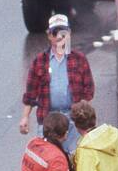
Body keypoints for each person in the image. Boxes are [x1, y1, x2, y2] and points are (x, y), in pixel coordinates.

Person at [19, 13, 94, 157]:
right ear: (49, 35)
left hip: (73, 121)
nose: (59, 37)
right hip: (48, 121)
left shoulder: (80, 60)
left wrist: (85, 120)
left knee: (75, 159)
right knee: (47, 159)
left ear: (69, 33)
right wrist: (25, 118)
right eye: (55, 33)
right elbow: (30, 94)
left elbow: (88, 92)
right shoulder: (39, 61)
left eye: (63, 32)